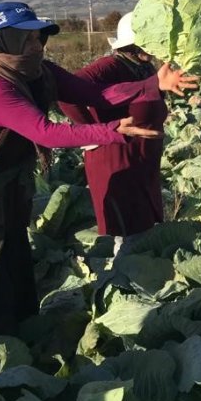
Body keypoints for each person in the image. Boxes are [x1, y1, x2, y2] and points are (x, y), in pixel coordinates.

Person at [0, 2, 198, 364]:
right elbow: (45, 132)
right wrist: (110, 131)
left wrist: (153, 83)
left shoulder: (37, 71)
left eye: (37, 36)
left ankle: (19, 340)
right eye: (24, 37)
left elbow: (97, 96)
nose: (35, 45)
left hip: (5, 187)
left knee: (13, 261)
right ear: (1, 41)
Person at [58, 12, 167, 238]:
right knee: (122, 227)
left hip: (142, 155)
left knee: (144, 223)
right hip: (115, 154)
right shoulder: (108, 66)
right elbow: (66, 96)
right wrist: (91, 133)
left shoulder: (144, 67)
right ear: (134, 44)